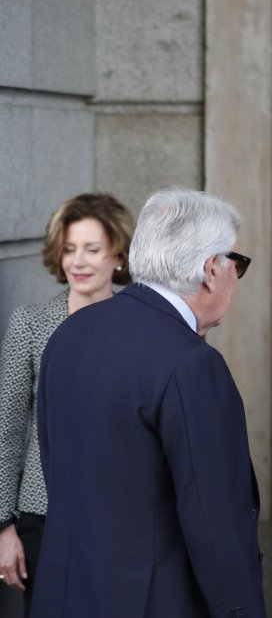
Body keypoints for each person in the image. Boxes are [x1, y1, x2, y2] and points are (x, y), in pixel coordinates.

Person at [32, 188, 264, 618]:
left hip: (66, 596)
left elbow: (57, 468)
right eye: (238, 263)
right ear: (211, 268)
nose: (237, 276)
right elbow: (217, 525)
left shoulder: (70, 333)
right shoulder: (193, 363)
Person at [0, 193, 133, 614]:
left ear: (119, 256)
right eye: (70, 249)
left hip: (124, 520)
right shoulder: (31, 325)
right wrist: (3, 526)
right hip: (43, 518)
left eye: (92, 249)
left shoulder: (142, 330)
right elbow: (6, 430)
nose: (78, 261)